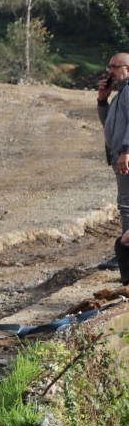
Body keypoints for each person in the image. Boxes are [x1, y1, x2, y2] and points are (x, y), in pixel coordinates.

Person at [96, 53, 129, 270]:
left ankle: (126, 254)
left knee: (126, 204)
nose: (109, 71)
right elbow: (108, 123)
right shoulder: (121, 93)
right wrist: (102, 99)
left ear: (127, 68)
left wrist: (126, 152)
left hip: (125, 156)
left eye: (113, 67)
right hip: (119, 154)